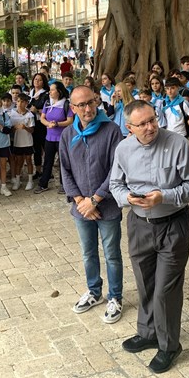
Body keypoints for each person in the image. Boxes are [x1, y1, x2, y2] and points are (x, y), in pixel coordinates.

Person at [110, 101, 189, 373]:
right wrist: (126, 198)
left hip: (172, 224)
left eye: (153, 119)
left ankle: (169, 345)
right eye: (143, 124)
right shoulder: (123, 149)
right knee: (145, 283)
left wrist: (164, 196)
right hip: (139, 224)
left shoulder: (177, 143)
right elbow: (115, 184)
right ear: (129, 127)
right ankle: (148, 332)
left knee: (166, 290)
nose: (151, 127)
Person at [60, 86, 124, 324]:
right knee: (88, 254)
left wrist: (95, 199)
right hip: (81, 209)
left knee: (112, 254)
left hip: (107, 206)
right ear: (73, 108)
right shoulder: (68, 135)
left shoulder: (111, 130)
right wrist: (80, 201)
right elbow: (65, 170)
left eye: (90, 103)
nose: (87, 109)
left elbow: (116, 169)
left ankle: (115, 296)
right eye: (81, 105)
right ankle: (94, 291)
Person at [33, 81, 74, 194]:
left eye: (52, 90)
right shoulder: (47, 103)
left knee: (63, 162)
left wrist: (57, 124)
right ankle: (43, 183)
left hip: (62, 138)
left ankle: (64, 184)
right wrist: (48, 124)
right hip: (49, 137)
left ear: (59, 91)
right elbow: (42, 118)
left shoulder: (66, 104)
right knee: (47, 161)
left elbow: (70, 121)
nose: (50, 92)